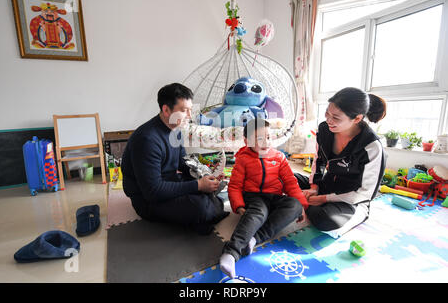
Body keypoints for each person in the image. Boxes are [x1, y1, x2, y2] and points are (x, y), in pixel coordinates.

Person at [121, 83, 229, 235]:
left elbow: (182, 162)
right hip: (147, 199)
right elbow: (153, 191)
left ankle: (206, 207)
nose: (190, 116)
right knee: (201, 207)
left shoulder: (176, 129)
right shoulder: (147, 140)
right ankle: (206, 209)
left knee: (212, 187)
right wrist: (198, 185)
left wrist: (205, 175)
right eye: (184, 110)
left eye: (190, 110)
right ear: (166, 110)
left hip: (169, 182)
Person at [219, 118, 309, 279]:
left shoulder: (279, 157)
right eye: (259, 138)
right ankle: (231, 253)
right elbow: (234, 186)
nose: (265, 142)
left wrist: (301, 204)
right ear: (247, 141)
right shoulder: (243, 158)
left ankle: (254, 239)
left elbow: (290, 182)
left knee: (294, 205)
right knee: (259, 213)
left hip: (274, 196)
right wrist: (238, 205)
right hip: (253, 197)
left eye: (268, 137)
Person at [295, 87, 387, 239]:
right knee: (282, 176)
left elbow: (365, 193)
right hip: (325, 186)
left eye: (336, 118)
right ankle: (303, 200)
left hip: (351, 200)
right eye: (327, 113)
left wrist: (324, 199)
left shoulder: (371, 146)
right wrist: (314, 187)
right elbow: (318, 161)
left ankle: (299, 201)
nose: (328, 120)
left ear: (357, 119)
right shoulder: (324, 129)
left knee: (325, 220)